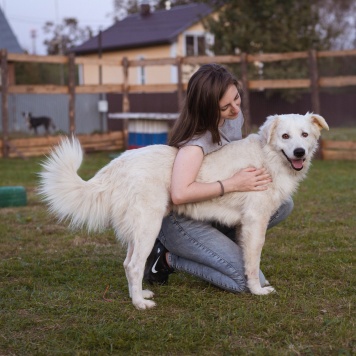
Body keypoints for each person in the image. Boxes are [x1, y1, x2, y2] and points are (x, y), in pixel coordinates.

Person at [143, 63, 294, 293]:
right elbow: (180, 193)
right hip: (181, 217)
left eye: (236, 98)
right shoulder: (196, 142)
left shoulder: (234, 117)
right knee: (248, 282)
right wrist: (233, 183)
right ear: (207, 109)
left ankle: (215, 253)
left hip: (212, 208)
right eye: (225, 107)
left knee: (282, 204)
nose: (235, 109)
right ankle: (165, 258)